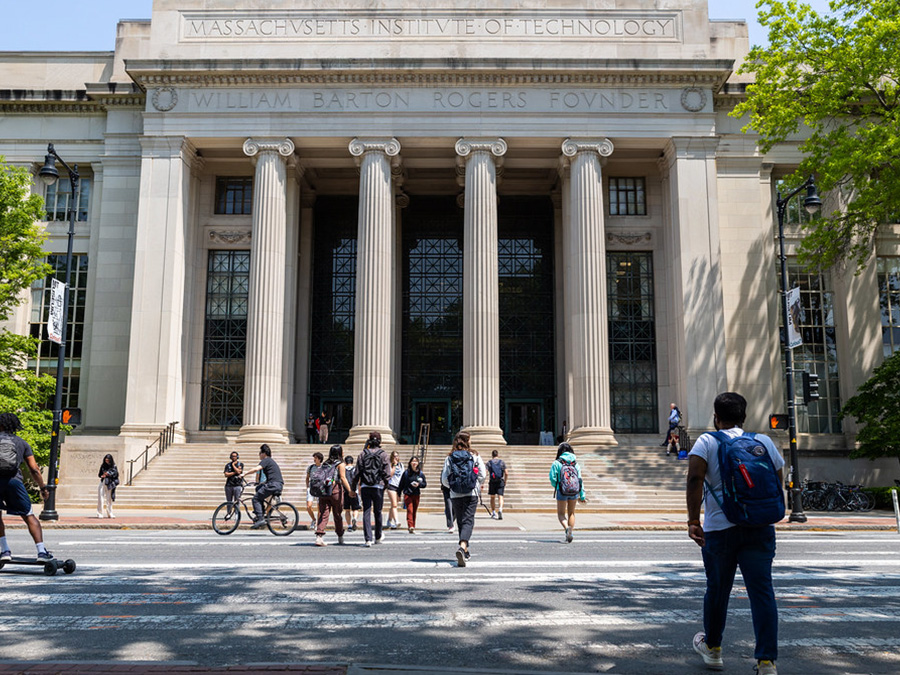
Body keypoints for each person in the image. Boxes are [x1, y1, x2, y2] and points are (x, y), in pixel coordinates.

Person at [686, 392, 783, 675]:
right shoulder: (762, 441)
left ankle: (713, 649)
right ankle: (766, 661)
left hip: (720, 529)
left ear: (716, 417)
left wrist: (693, 520)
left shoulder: (707, 441)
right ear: (744, 416)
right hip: (759, 528)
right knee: (762, 592)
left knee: (717, 590)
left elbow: (694, 479)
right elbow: (777, 478)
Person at [0, 412, 53, 561]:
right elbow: (34, 469)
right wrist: (42, 488)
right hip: (14, 482)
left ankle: (5, 551)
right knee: (29, 515)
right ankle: (41, 552)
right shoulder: (21, 443)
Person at [441, 431, 486, 568]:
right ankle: (462, 547)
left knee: (461, 521)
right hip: (471, 493)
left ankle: (465, 551)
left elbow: (444, 479)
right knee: (468, 521)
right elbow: (483, 475)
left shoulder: (449, 457)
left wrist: (453, 487)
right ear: (468, 441)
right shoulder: (475, 455)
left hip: (455, 494)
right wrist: (475, 484)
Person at [352, 431, 390, 547]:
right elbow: (387, 473)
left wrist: (353, 488)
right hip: (378, 486)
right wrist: (385, 485)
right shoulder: (383, 454)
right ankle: (378, 536)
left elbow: (357, 472)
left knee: (366, 512)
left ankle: (368, 539)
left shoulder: (363, 454)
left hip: (365, 486)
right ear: (380, 441)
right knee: (378, 512)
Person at [315, 445, 355, 547]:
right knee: (337, 514)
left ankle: (319, 536)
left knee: (324, 513)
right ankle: (340, 536)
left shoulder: (325, 463)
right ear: (340, 453)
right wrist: (349, 490)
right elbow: (342, 478)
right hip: (335, 490)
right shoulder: (341, 464)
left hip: (324, 490)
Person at [241, 444, 285, 529]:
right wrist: (258, 484)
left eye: (260, 452)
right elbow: (271, 476)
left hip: (273, 484)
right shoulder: (270, 461)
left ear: (264, 453)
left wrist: (244, 474)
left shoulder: (266, 460)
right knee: (258, 489)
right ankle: (261, 511)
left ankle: (261, 518)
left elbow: (256, 469)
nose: (259, 454)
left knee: (255, 498)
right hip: (276, 484)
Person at [549, 442, 585, 543]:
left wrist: (557, 485)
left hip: (562, 490)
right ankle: (571, 532)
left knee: (561, 514)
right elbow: (580, 480)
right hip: (574, 490)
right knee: (571, 513)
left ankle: (566, 529)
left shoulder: (557, 463)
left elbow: (552, 478)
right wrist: (582, 495)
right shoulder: (575, 463)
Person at [398, 456, 427, 533]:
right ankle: (410, 525)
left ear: (418, 463)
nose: (414, 463)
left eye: (416, 461)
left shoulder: (420, 473)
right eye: (413, 461)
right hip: (408, 494)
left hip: (416, 494)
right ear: (410, 463)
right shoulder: (406, 473)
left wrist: (419, 484)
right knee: (410, 510)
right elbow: (401, 484)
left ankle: (413, 526)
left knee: (414, 511)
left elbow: (424, 484)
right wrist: (399, 494)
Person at [486, 449, 507, 520]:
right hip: (500, 480)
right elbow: (506, 472)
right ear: (497, 455)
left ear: (492, 455)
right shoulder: (502, 462)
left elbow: (485, 473)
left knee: (492, 497)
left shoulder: (489, 463)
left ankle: (494, 512)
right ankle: (500, 509)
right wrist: (505, 481)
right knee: (500, 496)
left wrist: (482, 481)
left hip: (492, 481)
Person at [305, 451, 324, 529]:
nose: (314, 459)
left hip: (320, 488)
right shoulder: (311, 467)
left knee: (319, 508)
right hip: (312, 487)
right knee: (308, 506)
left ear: (319, 459)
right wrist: (307, 487)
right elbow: (307, 477)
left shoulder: (324, 468)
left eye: (315, 458)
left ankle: (318, 524)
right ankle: (313, 519)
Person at [385, 450, 403, 529]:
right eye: (394, 456)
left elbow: (402, 476)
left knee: (393, 505)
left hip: (398, 487)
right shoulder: (390, 465)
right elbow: (390, 475)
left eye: (397, 456)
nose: (396, 458)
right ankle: (396, 521)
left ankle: (389, 520)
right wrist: (394, 465)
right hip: (391, 486)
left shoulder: (401, 465)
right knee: (394, 505)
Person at [97, 453, 119, 519]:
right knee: (100, 498)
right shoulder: (103, 466)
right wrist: (103, 475)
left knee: (109, 499)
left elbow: (116, 474)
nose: (107, 461)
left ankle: (110, 513)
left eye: (108, 460)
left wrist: (108, 474)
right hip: (103, 482)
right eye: (106, 460)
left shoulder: (114, 466)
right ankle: (99, 513)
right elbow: (99, 474)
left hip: (110, 483)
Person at [342, 455, 361, 532]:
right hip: (354, 491)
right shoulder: (355, 469)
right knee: (355, 508)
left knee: (347, 510)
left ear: (345, 462)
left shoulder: (343, 470)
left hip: (345, 491)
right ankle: (355, 518)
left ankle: (349, 525)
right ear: (352, 462)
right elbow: (359, 480)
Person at [223, 451, 243, 518]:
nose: (234, 457)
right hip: (229, 485)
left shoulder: (240, 464)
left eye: (235, 456)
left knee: (236, 501)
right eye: (232, 456)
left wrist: (233, 465)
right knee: (229, 501)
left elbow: (239, 471)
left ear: (237, 457)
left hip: (237, 485)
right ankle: (229, 513)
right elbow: (226, 474)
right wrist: (234, 472)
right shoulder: (227, 465)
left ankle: (236, 513)